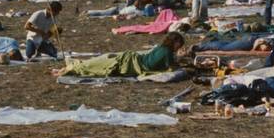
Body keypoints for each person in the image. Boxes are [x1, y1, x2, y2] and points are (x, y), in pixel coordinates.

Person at [55, 32, 184, 77]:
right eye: (179, 44)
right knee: (99, 66)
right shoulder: (167, 52)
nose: (179, 47)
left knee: (97, 63)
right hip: (131, 63)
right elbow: (171, 68)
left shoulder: (162, 47)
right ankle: (71, 69)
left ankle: (71, 67)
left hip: (131, 58)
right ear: (175, 42)